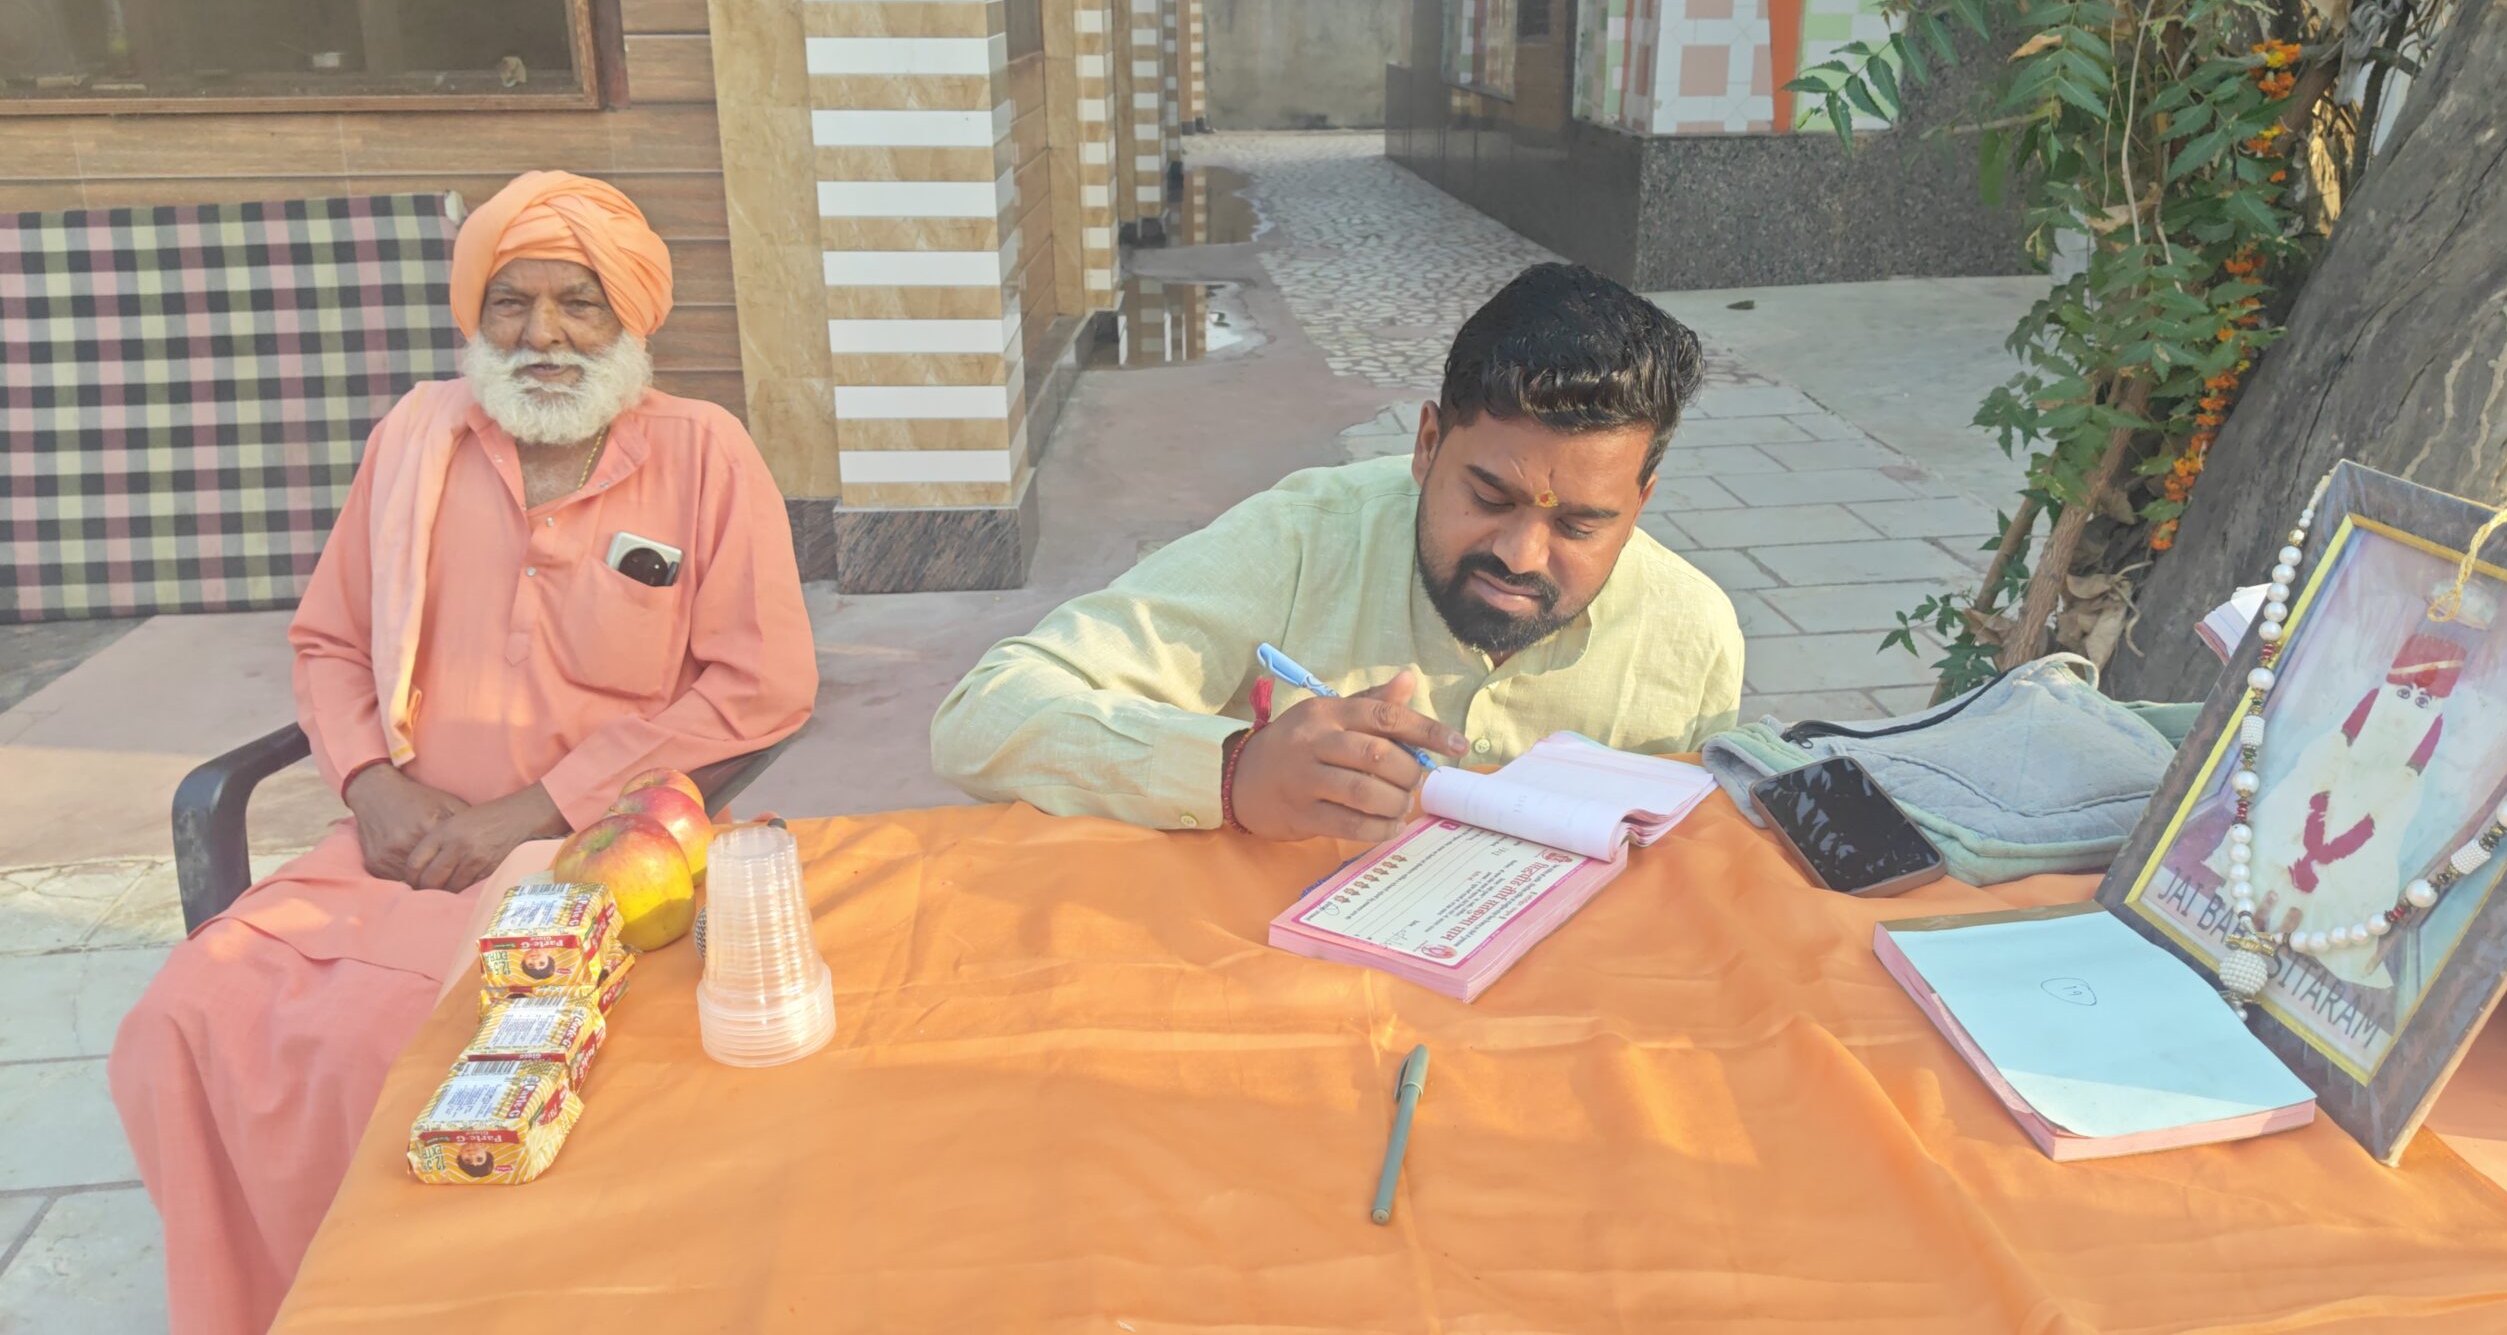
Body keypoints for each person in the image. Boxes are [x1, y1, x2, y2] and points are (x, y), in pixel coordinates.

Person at [109, 171, 819, 1335]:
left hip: (595, 855)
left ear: (632, 316)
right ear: (474, 314)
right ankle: (278, 1305)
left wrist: (537, 809)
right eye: (511, 303)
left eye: (578, 303)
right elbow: (329, 641)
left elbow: (762, 685)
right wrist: (368, 783)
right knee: (184, 1020)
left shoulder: (704, 454)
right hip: (395, 848)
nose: (543, 335)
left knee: (426, 1048)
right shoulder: (415, 438)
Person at [932, 262, 1743, 839]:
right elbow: (985, 713)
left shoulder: (1693, 636)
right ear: (1428, 445)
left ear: (1641, 503)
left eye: (1579, 527)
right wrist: (1233, 773)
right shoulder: (1300, 543)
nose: (1523, 555)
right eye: (1490, 499)